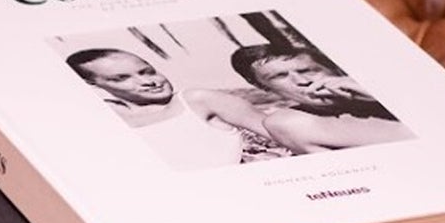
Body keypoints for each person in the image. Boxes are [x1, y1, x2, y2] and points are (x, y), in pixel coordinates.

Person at [63, 48, 295, 166]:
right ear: (92, 84)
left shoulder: (197, 99)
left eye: (147, 70)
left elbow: (285, 132)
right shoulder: (104, 118)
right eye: (121, 78)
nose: (148, 81)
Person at [226, 45, 412, 152]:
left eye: (307, 70)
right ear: (262, 87)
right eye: (280, 76)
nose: (302, 81)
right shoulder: (288, 123)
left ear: (334, 69)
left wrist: (379, 95)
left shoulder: (393, 90)